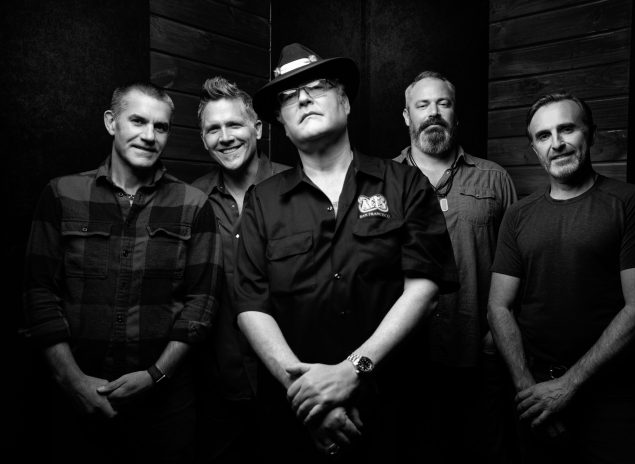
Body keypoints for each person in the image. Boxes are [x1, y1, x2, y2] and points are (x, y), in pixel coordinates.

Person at [234, 42, 458, 462]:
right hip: (296, 421)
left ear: (346, 102)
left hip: (395, 411)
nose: (303, 99)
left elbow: (424, 288)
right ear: (282, 124)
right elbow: (250, 306)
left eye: (317, 86)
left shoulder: (406, 184)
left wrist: (354, 370)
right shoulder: (261, 202)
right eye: (289, 96)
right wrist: (308, 397)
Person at [22, 82, 221, 464]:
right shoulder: (62, 194)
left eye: (160, 127)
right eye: (138, 121)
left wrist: (155, 375)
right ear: (111, 122)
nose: (149, 136)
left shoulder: (193, 204)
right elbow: (38, 294)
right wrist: (72, 381)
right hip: (75, 403)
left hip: (165, 409)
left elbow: (202, 303)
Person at [487, 92, 635, 464]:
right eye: (543, 135)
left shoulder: (632, 202)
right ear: (534, 149)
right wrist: (527, 388)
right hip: (535, 395)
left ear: (591, 134)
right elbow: (498, 307)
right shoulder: (518, 215)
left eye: (567, 129)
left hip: (612, 397)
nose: (557, 143)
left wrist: (567, 387)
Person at [394, 70, 518, 463]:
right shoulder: (381, 181)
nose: (433, 112)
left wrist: (498, 336)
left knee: (483, 450)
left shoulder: (495, 179)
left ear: (455, 113)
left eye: (443, 103)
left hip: (479, 351)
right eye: (422, 105)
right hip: (406, 354)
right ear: (407, 116)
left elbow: (518, 262)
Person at [191, 76, 289, 463]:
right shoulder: (192, 199)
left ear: (258, 129)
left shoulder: (296, 187)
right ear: (203, 139)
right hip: (217, 384)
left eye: (234, 124)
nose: (225, 137)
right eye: (213, 129)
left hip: (290, 378)